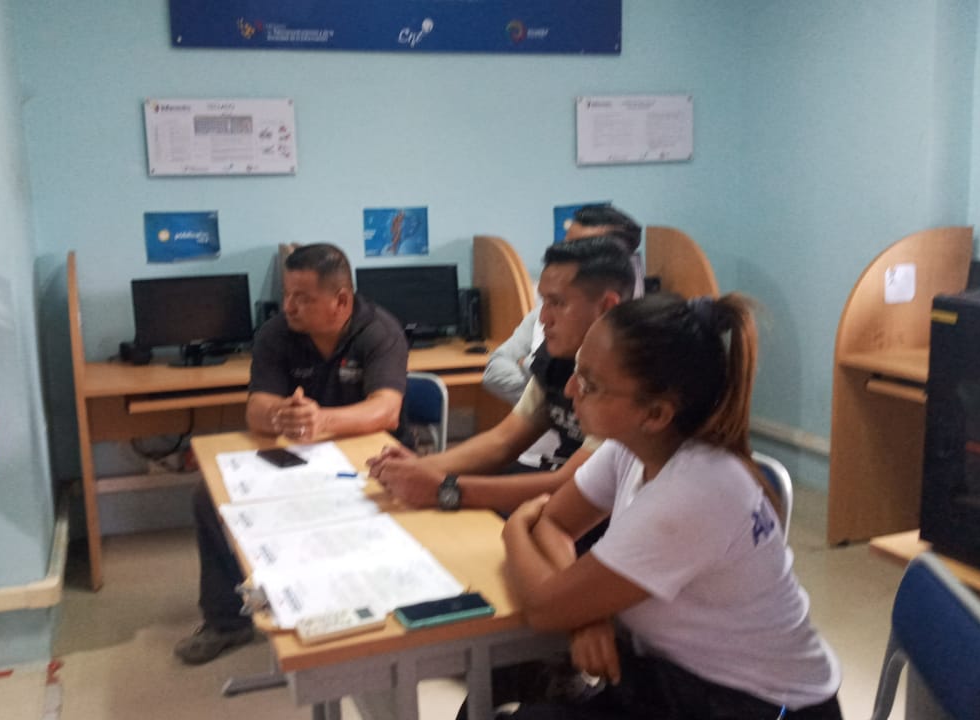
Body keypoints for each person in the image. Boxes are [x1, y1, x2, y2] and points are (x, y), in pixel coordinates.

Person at [498, 293, 842, 719]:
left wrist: (514, 529)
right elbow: (554, 525)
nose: (570, 390)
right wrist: (584, 614)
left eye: (590, 384)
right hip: (678, 679)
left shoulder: (695, 491)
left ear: (656, 413)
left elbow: (543, 606)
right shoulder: (633, 447)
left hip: (755, 705)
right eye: (576, 372)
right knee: (502, 678)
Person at [176, 243, 408, 665]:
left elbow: (386, 409)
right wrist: (282, 414)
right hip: (302, 454)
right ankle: (226, 622)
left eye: (303, 298)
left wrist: (322, 420)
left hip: (370, 458)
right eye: (287, 295)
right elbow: (256, 408)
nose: (289, 307)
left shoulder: (379, 331)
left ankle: (368, 610)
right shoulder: (276, 334)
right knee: (208, 496)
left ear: (341, 301)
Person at [368, 236, 635, 516]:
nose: (543, 318)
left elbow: (574, 487)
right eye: (543, 302)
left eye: (557, 303)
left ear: (607, 307)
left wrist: (444, 488)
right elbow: (503, 441)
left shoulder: (630, 379)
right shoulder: (557, 357)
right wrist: (419, 467)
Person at [483, 205, 644, 472]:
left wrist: (547, 395)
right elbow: (495, 372)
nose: (544, 317)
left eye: (587, 247)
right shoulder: (551, 315)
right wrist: (544, 395)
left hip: (568, 475)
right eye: (569, 244)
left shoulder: (634, 354)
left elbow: (577, 483)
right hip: (537, 460)